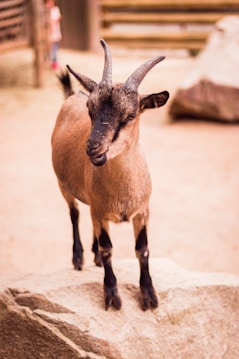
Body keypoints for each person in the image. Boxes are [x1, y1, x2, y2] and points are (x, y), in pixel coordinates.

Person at [45, 0, 62, 70]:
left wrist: (52, 21)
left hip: (55, 33)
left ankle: (54, 64)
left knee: (54, 49)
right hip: (47, 35)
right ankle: (50, 62)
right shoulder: (45, 11)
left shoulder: (55, 9)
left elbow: (59, 18)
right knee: (48, 50)